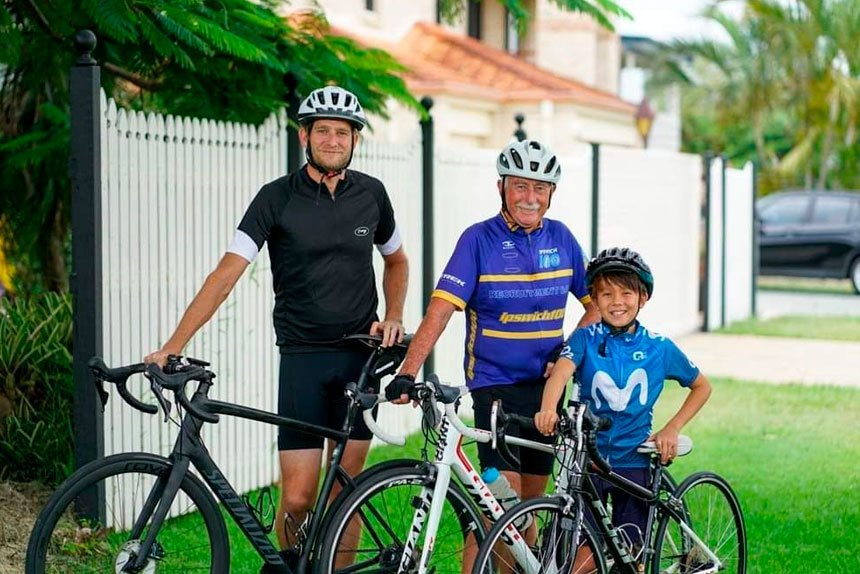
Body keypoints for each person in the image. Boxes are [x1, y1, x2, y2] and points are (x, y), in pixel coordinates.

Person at [144, 86, 408, 562]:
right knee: (300, 497)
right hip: (303, 357)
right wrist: (173, 344)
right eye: (323, 130)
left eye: (342, 132)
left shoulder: (372, 194)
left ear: (355, 140)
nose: (332, 139)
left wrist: (392, 315)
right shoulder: (275, 198)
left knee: (344, 497)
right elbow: (226, 273)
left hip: (359, 358)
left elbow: (398, 261)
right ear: (304, 135)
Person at [387, 139, 599, 504]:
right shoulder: (477, 240)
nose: (529, 197)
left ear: (552, 193)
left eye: (540, 188)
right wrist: (408, 372)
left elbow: (595, 306)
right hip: (494, 388)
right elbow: (440, 310)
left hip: (546, 392)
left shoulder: (562, 237)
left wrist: (567, 354)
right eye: (520, 185)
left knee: (529, 510)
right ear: (501, 187)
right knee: (501, 507)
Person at [535, 247, 712, 555]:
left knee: (629, 553)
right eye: (606, 295)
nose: (617, 302)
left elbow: (701, 387)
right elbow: (560, 375)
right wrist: (548, 408)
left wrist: (671, 428)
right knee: (582, 554)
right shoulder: (584, 340)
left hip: (634, 462)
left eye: (626, 293)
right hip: (588, 462)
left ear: (642, 298)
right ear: (595, 299)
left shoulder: (660, 348)